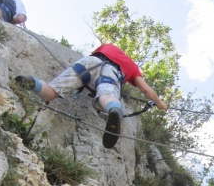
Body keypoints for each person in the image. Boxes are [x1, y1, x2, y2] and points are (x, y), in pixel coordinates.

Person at [15, 43, 167, 148]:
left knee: (50, 93)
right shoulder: (132, 67)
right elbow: (146, 90)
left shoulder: (108, 46)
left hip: (88, 62)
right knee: (106, 97)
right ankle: (113, 110)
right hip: (111, 71)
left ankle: (32, 82)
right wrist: (160, 104)